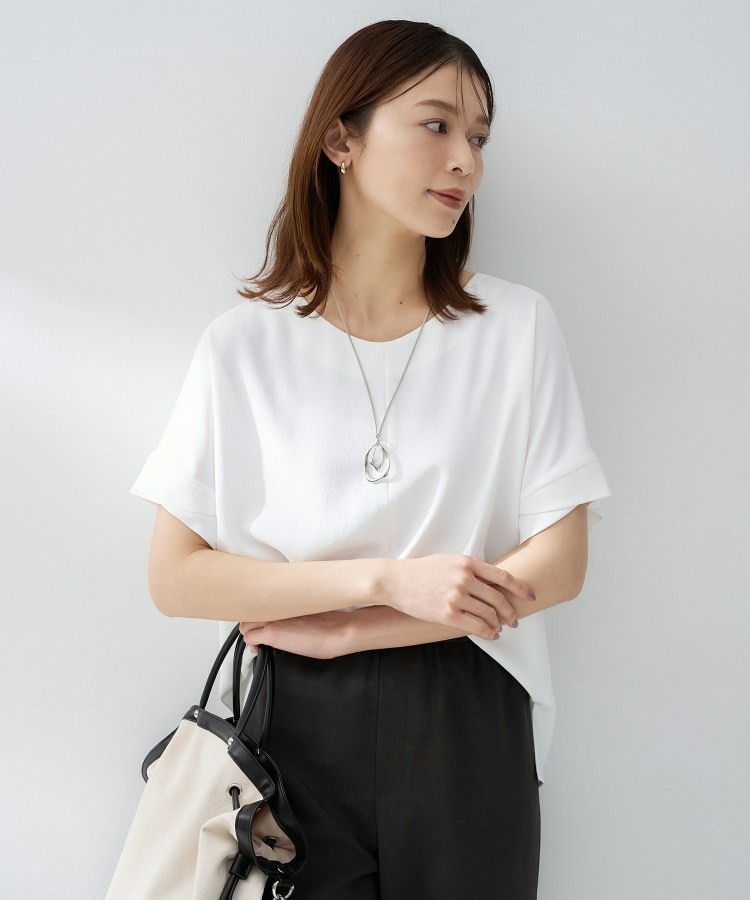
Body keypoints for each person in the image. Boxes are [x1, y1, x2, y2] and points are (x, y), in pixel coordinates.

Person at [129, 19, 611, 898]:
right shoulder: (245, 346)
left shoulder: (515, 327)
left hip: (471, 709)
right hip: (291, 729)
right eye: (436, 124)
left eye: (479, 137)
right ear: (339, 140)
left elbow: (561, 563)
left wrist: (365, 627)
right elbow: (176, 578)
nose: (465, 160)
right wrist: (384, 582)